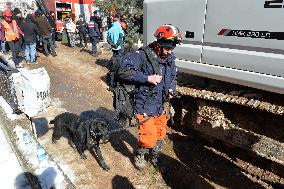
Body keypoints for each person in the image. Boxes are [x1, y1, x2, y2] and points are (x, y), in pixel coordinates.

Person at [117, 24, 182, 170]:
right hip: (144, 105)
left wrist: (171, 89)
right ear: (160, 42)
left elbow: (173, 78)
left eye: (173, 46)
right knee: (148, 136)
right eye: (168, 45)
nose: (170, 49)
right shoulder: (142, 55)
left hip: (160, 105)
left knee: (159, 134)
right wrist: (147, 78)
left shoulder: (170, 59)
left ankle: (154, 154)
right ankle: (140, 153)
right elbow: (122, 71)